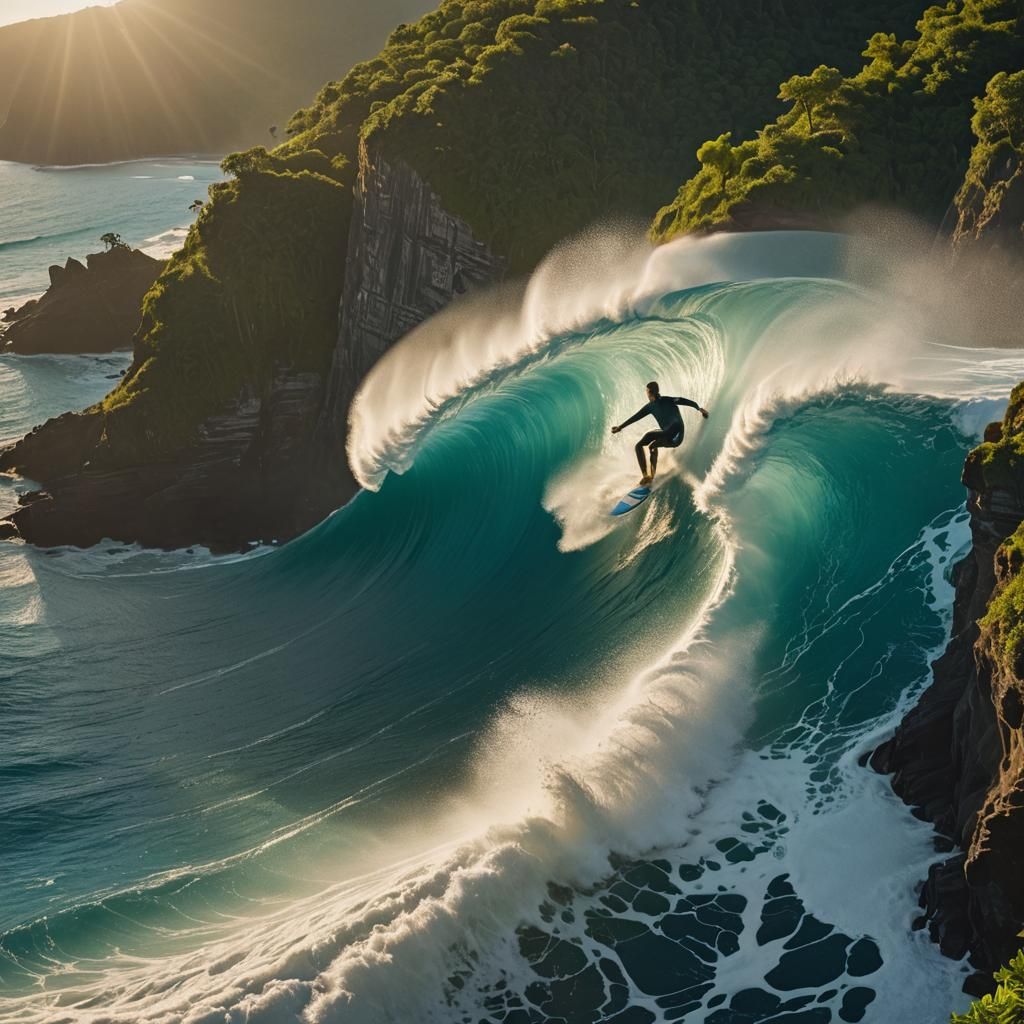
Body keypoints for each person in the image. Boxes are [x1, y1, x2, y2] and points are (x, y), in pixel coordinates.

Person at [611, 381, 709, 486]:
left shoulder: (665, 401)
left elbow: (682, 400)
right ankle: (646, 476)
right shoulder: (657, 404)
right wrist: (699, 409)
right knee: (641, 445)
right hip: (669, 433)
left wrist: (699, 409)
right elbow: (636, 417)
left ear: (649, 393)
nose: (646, 393)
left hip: (676, 436)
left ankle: (650, 477)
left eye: (646, 391)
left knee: (652, 445)